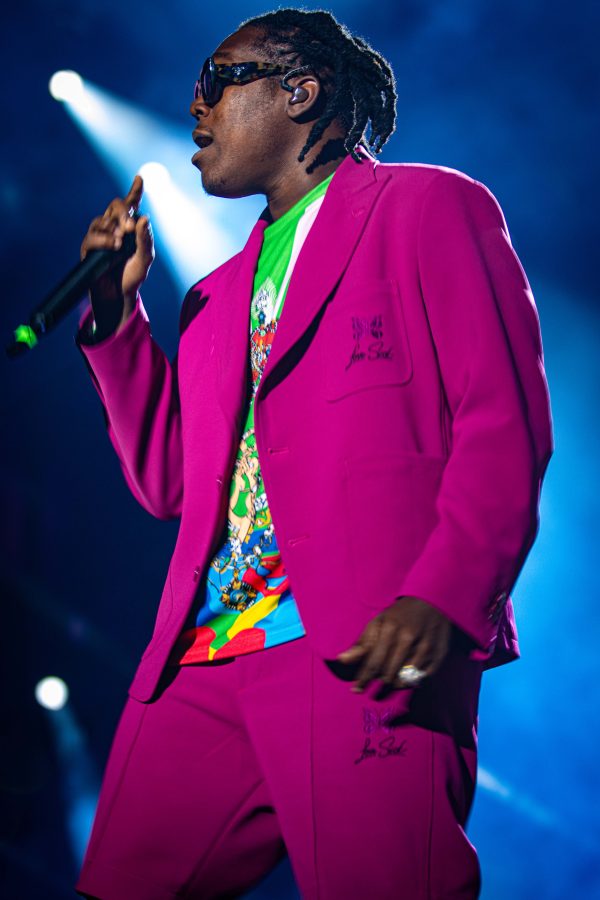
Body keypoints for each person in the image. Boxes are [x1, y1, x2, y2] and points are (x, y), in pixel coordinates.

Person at [74, 8, 553, 899]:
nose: (195, 105)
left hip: (363, 645)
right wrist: (115, 320)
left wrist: (445, 594)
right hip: (202, 657)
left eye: (218, 80)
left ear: (301, 92)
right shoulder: (213, 297)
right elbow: (172, 484)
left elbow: (503, 422)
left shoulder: (427, 207)